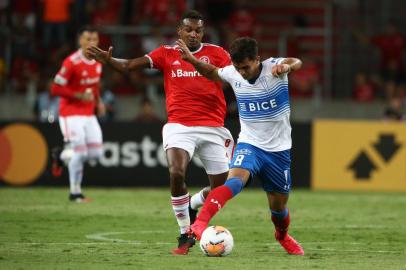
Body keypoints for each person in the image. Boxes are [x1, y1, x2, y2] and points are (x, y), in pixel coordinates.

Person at [86, 10, 234, 255]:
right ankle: (185, 233)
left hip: (213, 127)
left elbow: (237, 77)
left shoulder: (218, 54)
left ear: (203, 32)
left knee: (222, 188)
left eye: (198, 30)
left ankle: (195, 203)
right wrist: (109, 60)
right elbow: (130, 66)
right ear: (180, 31)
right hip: (179, 126)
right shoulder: (166, 53)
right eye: (189, 29)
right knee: (176, 172)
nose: (194, 34)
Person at [176, 36, 305, 255]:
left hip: (278, 151)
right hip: (249, 144)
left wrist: (287, 66)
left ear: (257, 59)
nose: (242, 72)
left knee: (278, 207)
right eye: (238, 68)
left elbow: (297, 61)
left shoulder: (274, 67)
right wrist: (192, 60)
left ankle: (282, 236)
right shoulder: (233, 72)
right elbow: (211, 72)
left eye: (246, 67)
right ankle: (197, 227)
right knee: (234, 182)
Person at [50, 26, 106, 203]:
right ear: (80, 41)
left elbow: (94, 85)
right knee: (80, 153)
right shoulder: (71, 62)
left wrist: (99, 102)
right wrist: (78, 95)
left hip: (89, 113)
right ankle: (75, 193)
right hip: (70, 113)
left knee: (96, 154)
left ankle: (62, 156)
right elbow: (55, 88)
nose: (92, 43)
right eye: (88, 39)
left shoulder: (98, 61)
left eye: (95, 39)